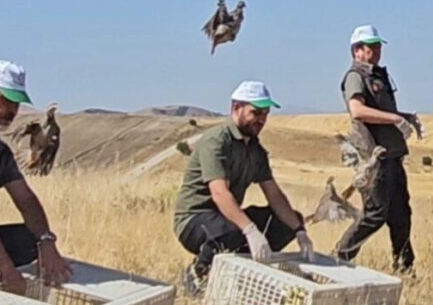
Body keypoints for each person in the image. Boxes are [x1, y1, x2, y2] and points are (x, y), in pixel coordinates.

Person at [174, 81, 313, 296]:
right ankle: (198, 276)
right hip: (195, 218)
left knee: (283, 223)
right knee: (233, 233)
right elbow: (220, 193)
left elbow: (274, 194)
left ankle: (244, 274)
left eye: (265, 114)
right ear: (236, 108)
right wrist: (250, 230)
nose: (261, 119)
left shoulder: (256, 150)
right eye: (255, 112)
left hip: (227, 219)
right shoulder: (217, 142)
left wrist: (299, 230)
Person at [0, 60, 72, 296]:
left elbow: (26, 200)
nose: (11, 111)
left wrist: (46, 242)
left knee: (31, 241)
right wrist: (7, 268)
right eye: (4, 100)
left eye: (16, 103)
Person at [334, 25, 419, 274]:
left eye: (378, 46)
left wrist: (406, 117)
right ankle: (340, 258)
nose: (377, 51)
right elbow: (357, 110)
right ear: (357, 50)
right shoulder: (355, 76)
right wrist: (394, 120)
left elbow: (383, 112)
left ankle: (405, 267)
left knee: (401, 214)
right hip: (374, 157)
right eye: (371, 47)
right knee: (375, 213)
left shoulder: (378, 75)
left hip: (392, 154)